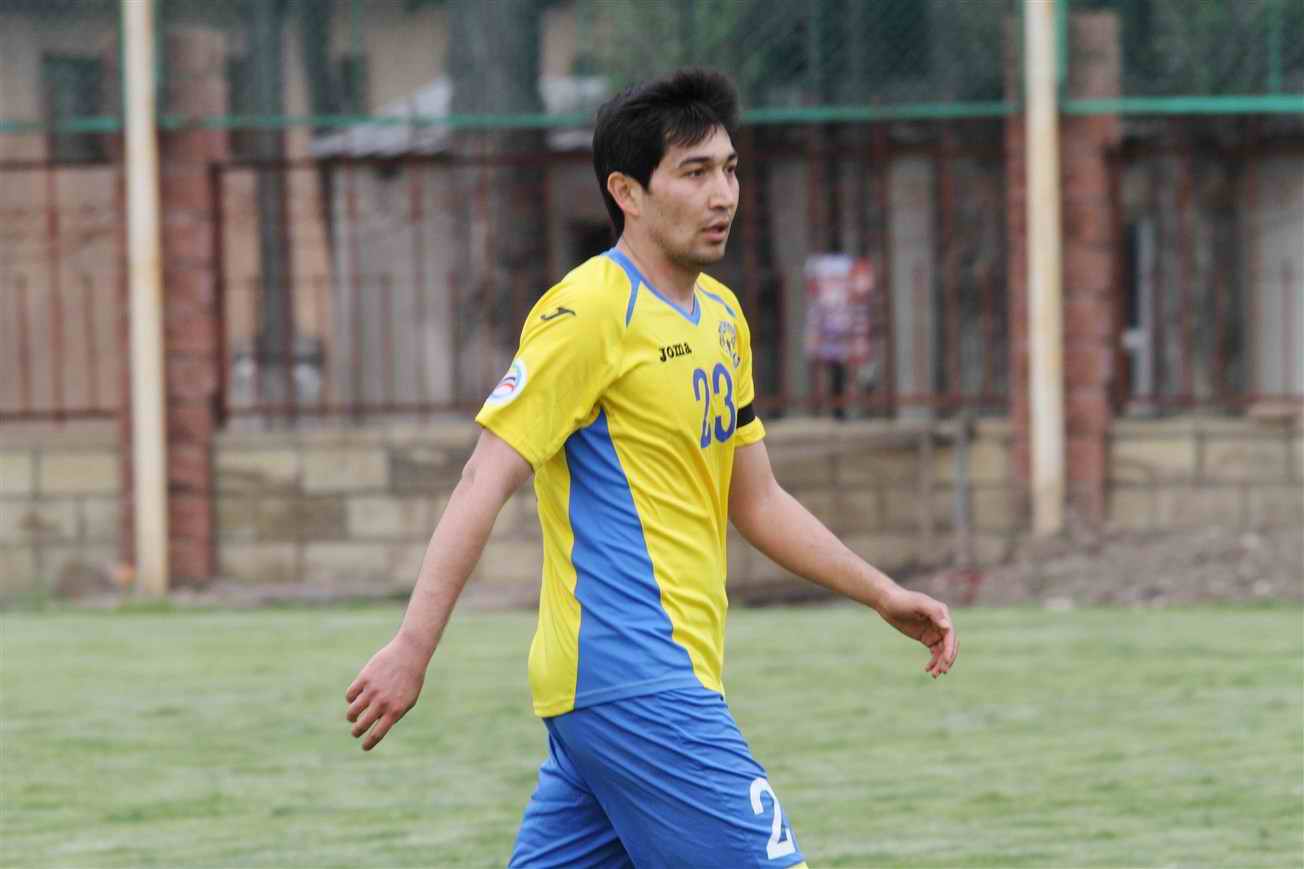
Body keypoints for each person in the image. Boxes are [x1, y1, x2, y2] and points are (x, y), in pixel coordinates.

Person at [344, 68, 958, 868]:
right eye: (694, 173)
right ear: (627, 192)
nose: (722, 194)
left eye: (729, 169)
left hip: (627, 692)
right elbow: (483, 480)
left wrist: (880, 592)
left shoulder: (723, 317)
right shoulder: (588, 311)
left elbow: (758, 499)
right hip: (638, 682)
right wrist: (412, 646)